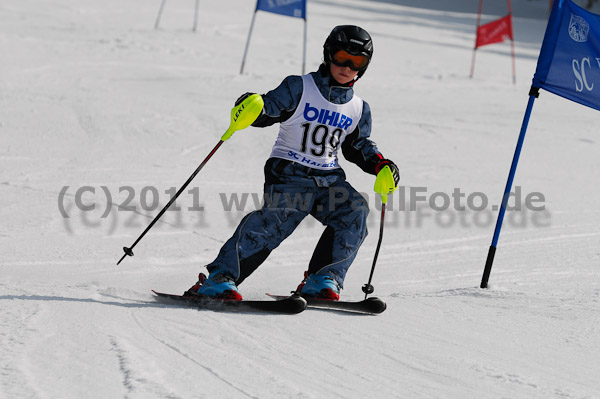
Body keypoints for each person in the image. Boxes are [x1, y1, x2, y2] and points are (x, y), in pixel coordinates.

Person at [186, 25, 399, 301]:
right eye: (341, 57)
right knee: (275, 220)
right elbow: (270, 108)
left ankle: (323, 279)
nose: (347, 67)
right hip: (290, 174)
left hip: (329, 178)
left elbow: (357, 146)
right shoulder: (299, 87)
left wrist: (381, 164)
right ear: (328, 54)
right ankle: (220, 278)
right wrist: (254, 106)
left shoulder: (358, 108)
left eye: (356, 62)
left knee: (354, 210)